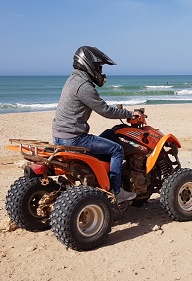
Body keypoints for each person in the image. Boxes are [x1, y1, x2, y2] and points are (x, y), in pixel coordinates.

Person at [52, 46, 138, 203]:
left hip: (59, 136)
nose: (100, 71)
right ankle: (116, 192)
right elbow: (105, 111)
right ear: (89, 65)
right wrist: (130, 114)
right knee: (117, 149)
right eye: (99, 67)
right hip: (74, 138)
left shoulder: (72, 79)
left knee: (109, 133)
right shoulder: (84, 86)